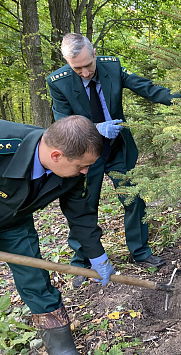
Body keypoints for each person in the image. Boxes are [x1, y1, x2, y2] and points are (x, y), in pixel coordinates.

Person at [46, 33, 181, 286]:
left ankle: (140, 252)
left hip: (118, 149)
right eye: (77, 68)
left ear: (94, 55)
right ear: (67, 63)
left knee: (133, 199)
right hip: (86, 155)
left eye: (88, 65)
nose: (85, 72)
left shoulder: (112, 66)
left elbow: (147, 88)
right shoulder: (59, 82)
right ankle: (82, 261)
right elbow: (63, 123)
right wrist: (97, 129)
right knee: (84, 205)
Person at [0, 115, 115, 354]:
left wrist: (97, 255)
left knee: (36, 281)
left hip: (14, 224)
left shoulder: (71, 171)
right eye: (81, 166)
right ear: (56, 156)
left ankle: (62, 348)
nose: (85, 172)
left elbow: (79, 214)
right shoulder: (5, 142)